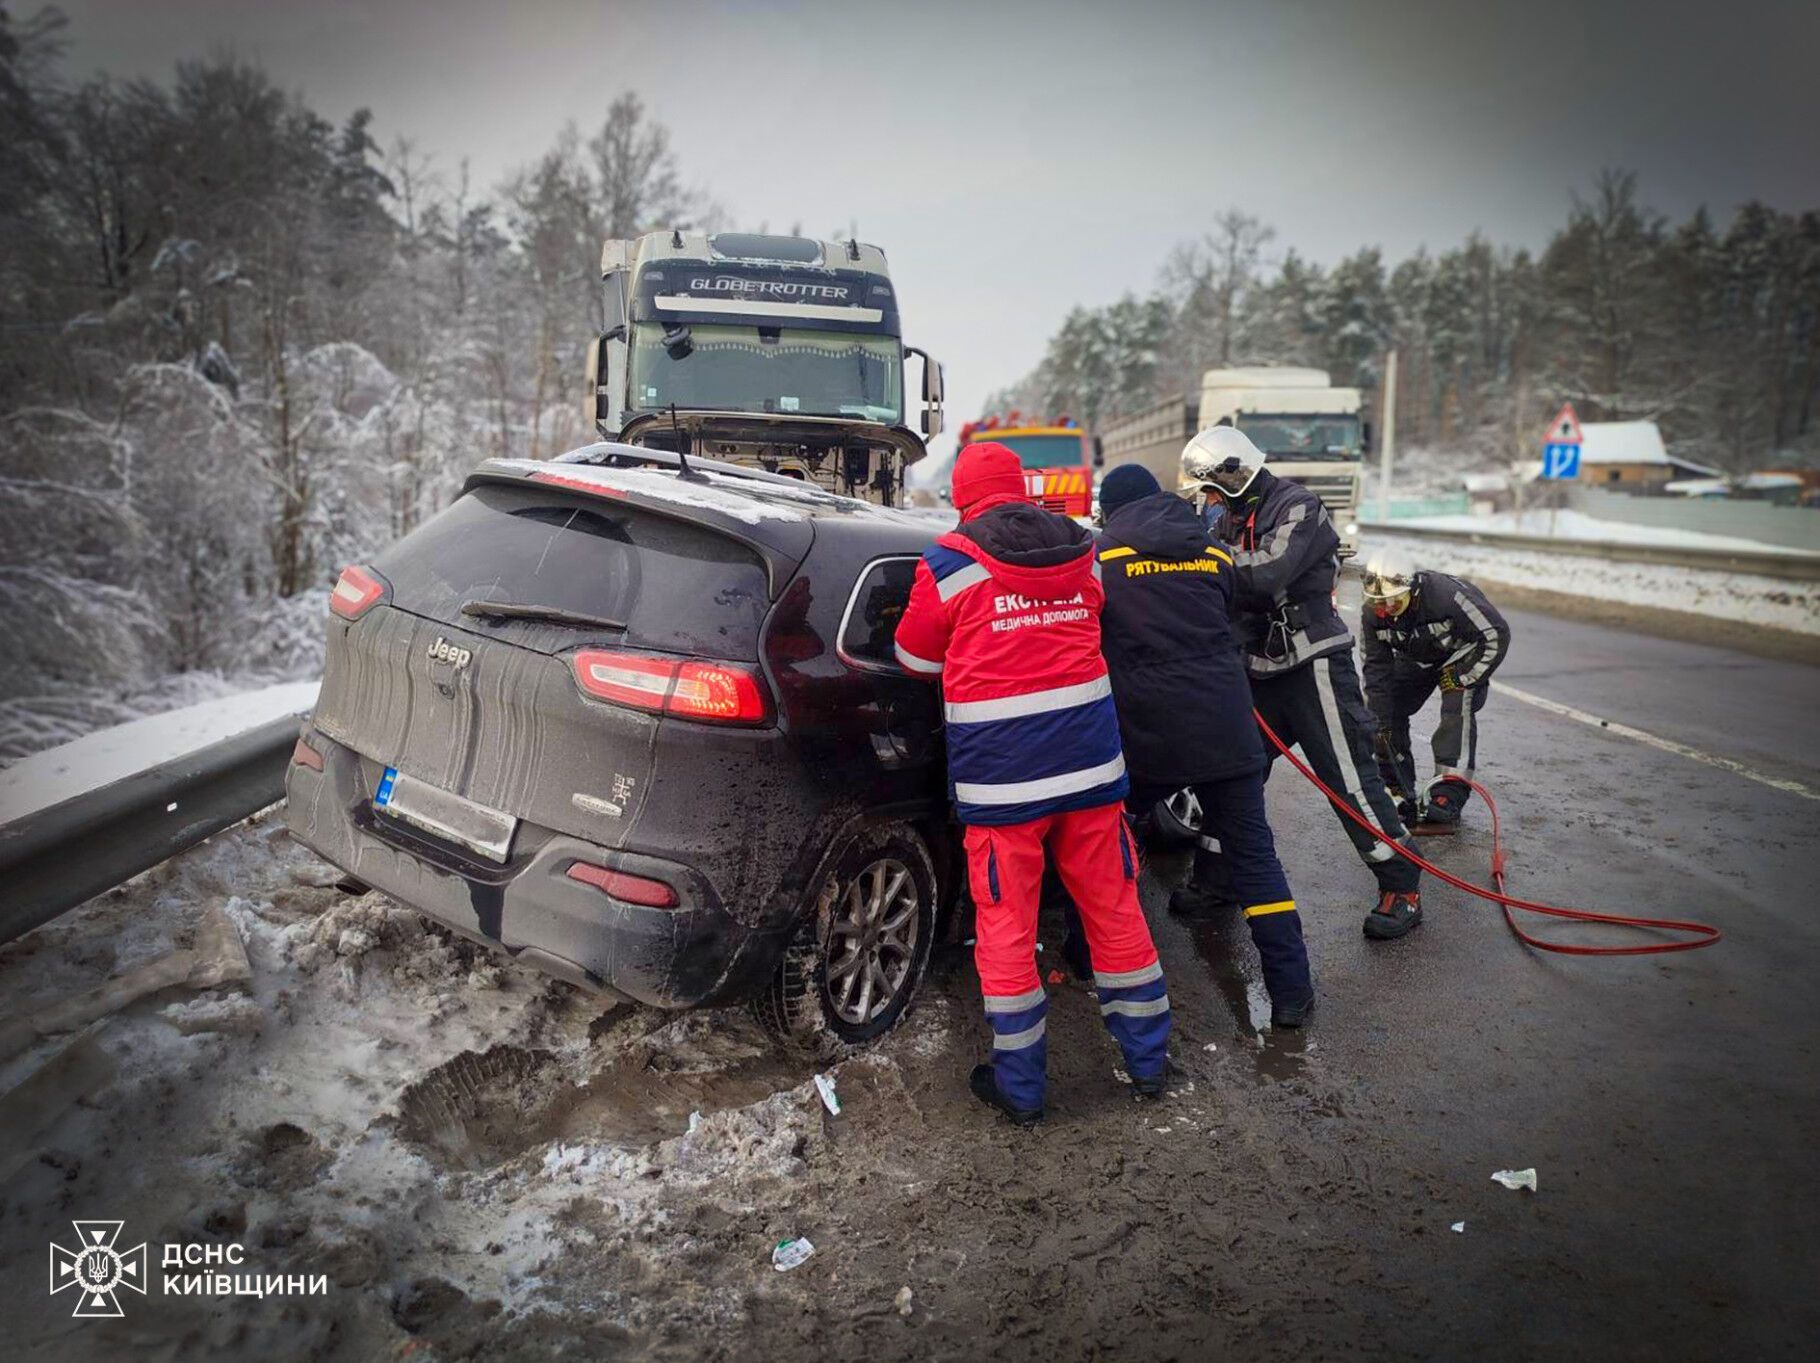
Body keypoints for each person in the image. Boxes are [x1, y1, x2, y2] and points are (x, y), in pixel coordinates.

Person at [894, 442, 1171, 1124]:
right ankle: (1150, 1063)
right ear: (1021, 488)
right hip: (1090, 767)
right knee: (1115, 908)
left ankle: (1021, 1088)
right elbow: (1095, 616)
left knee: (1008, 923)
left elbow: (911, 655)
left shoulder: (949, 561)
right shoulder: (1082, 549)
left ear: (962, 497)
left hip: (1003, 782)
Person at [1183, 425, 1425, 942]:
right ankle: (1216, 878)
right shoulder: (1224, 516)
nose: (1205, 499)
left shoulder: (1300, 506)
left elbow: (1267, 572)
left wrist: (1198, 558)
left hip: (1312, 663)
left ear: (1230, 475)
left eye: (1209, 486)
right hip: (1256, 667)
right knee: (1231, 773)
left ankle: (1401, 884)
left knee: (1348, 779)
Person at [1095, 463, 1315, 1028]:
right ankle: (1292, 994)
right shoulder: (1215, 555)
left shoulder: (1102, 561)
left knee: (1108, 845)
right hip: (1225, 725)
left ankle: (1085, 954)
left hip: (1148, 734)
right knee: (1256, 860)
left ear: (1111, 510)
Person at [1359, 547, 1511, 830]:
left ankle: (1448, 795)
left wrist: (1466, 676)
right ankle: (1397, 788)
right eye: (1379, 602)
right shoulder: (1373, 613)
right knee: (1384, 716)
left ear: (1412, 589)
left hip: (1462, 655)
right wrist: (1379, 725)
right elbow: (1375, 671)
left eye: (1393, 601)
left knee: (1457, 707)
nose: (1386, 610)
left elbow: (1496, 634)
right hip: (1418, 657)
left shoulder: (1448, 596)